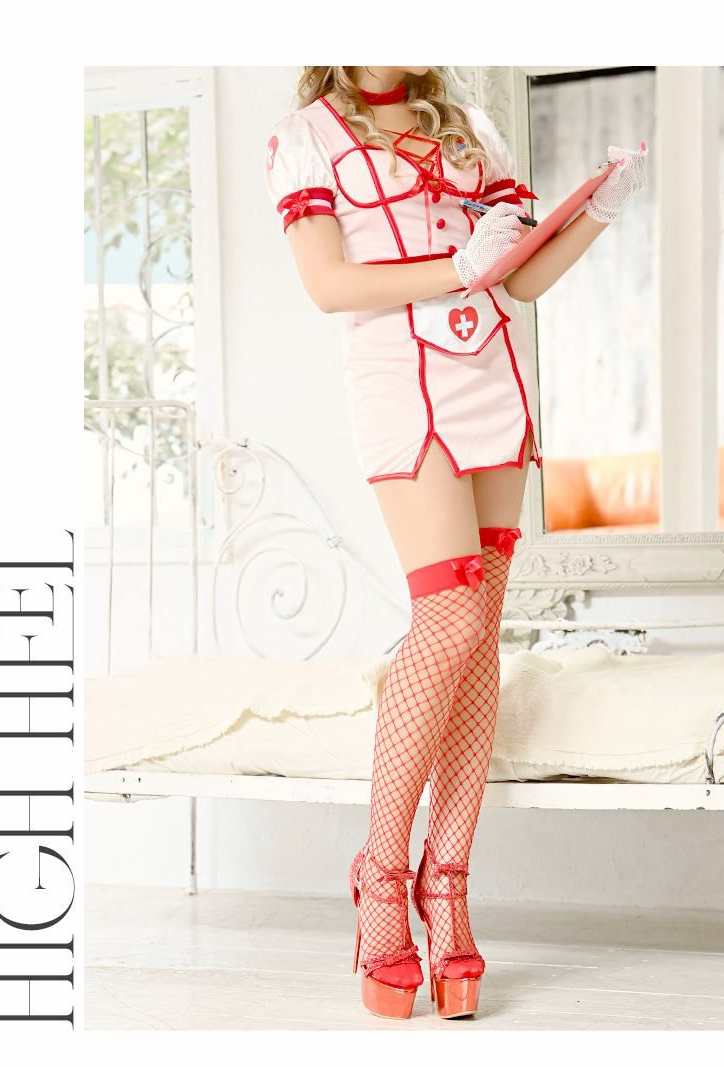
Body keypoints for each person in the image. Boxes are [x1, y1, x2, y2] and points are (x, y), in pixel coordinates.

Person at [264, 65, 646, 1020]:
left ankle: (449, 883)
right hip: (400, 378)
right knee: (449, 619)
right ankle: (381, 877)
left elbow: (519, 278)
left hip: (491, 374)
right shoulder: (309, 136)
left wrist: (598, 214)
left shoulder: (470, 124)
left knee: (480, 635)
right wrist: (458, 266)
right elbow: (327, 284)